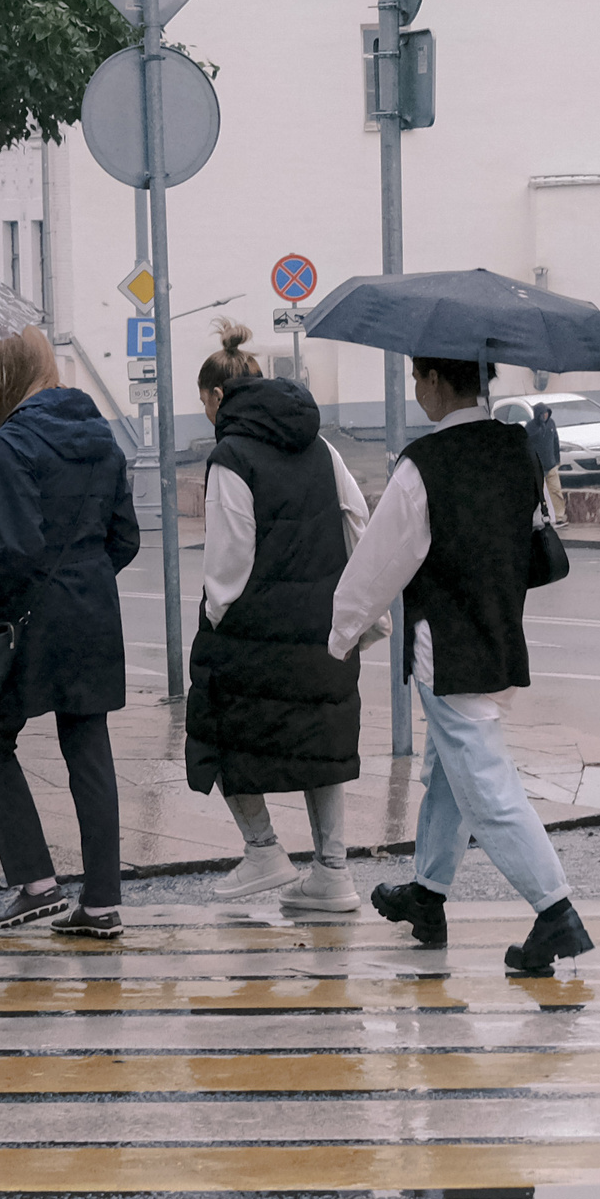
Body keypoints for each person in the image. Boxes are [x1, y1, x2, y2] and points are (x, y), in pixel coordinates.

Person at [330, 353, 594, 976]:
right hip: (501, 637)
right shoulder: (516, 447)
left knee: (484, 783)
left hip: (446, 648)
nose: (415, 389)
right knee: (448, 770)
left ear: (435, 380)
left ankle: (554, 910)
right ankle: (427, 893)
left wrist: (340, 634)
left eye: (417, 378)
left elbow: (378, 561)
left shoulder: (424, 465)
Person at [184, 322, 370, 920]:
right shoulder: (324, 447)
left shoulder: (230, 455)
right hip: (323, 623)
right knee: (322, 735)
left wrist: (214, 614)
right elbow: (356, 521)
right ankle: (333, 873)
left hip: (255, 628)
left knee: (217, 720)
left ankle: (263, 849)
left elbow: (229, 560)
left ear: (216, 398)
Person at [0, 329, 141, 937]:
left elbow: (20, 548)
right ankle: (101, 903)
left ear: (2, 378)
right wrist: (86, 578)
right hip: (95, 611)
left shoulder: (13, 439)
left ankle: (37, 883)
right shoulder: (103, 437)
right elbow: (126, 539)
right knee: (88, 747)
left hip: (36, 618)